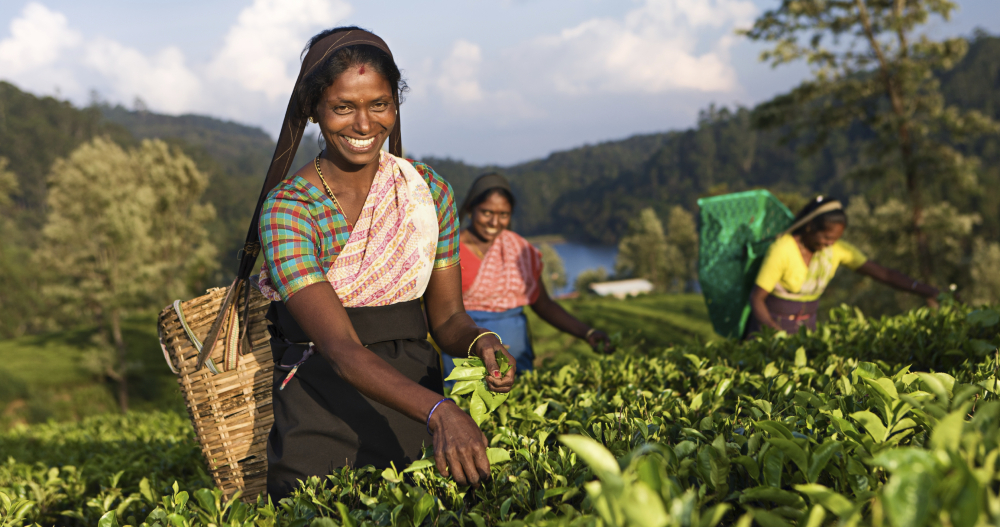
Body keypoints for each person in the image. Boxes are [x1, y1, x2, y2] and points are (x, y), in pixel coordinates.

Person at [255, 27, 516, 499]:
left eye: (379, 104)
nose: (364, 124)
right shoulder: (290, 209)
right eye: (343, 107)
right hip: (322, 416)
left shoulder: (427, 193)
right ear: (314, 109)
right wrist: (440, 412)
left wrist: (483, 342)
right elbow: (339, 347)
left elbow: (448, 319)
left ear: (396, 105)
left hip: (416, 419)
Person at [442, 173, 612, 387]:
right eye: (486, 212)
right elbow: (437, 311)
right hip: (465, 353)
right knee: (465, 403)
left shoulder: (519, 250)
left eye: (503, 215)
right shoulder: (449, 250)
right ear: (470, 209)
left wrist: (587, 332)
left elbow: (544, 305)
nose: (494, 222)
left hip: (516, 356)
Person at [747, 196, 940, 335]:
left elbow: (884, 274)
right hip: (768, 332)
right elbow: (757, 298)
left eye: (835, 239)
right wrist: (776, 335)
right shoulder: (783, 249)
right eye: (826, 237)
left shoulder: (836, 251)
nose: (829, 244)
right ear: (810, 227)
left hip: (805, 333)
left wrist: (929, 291)